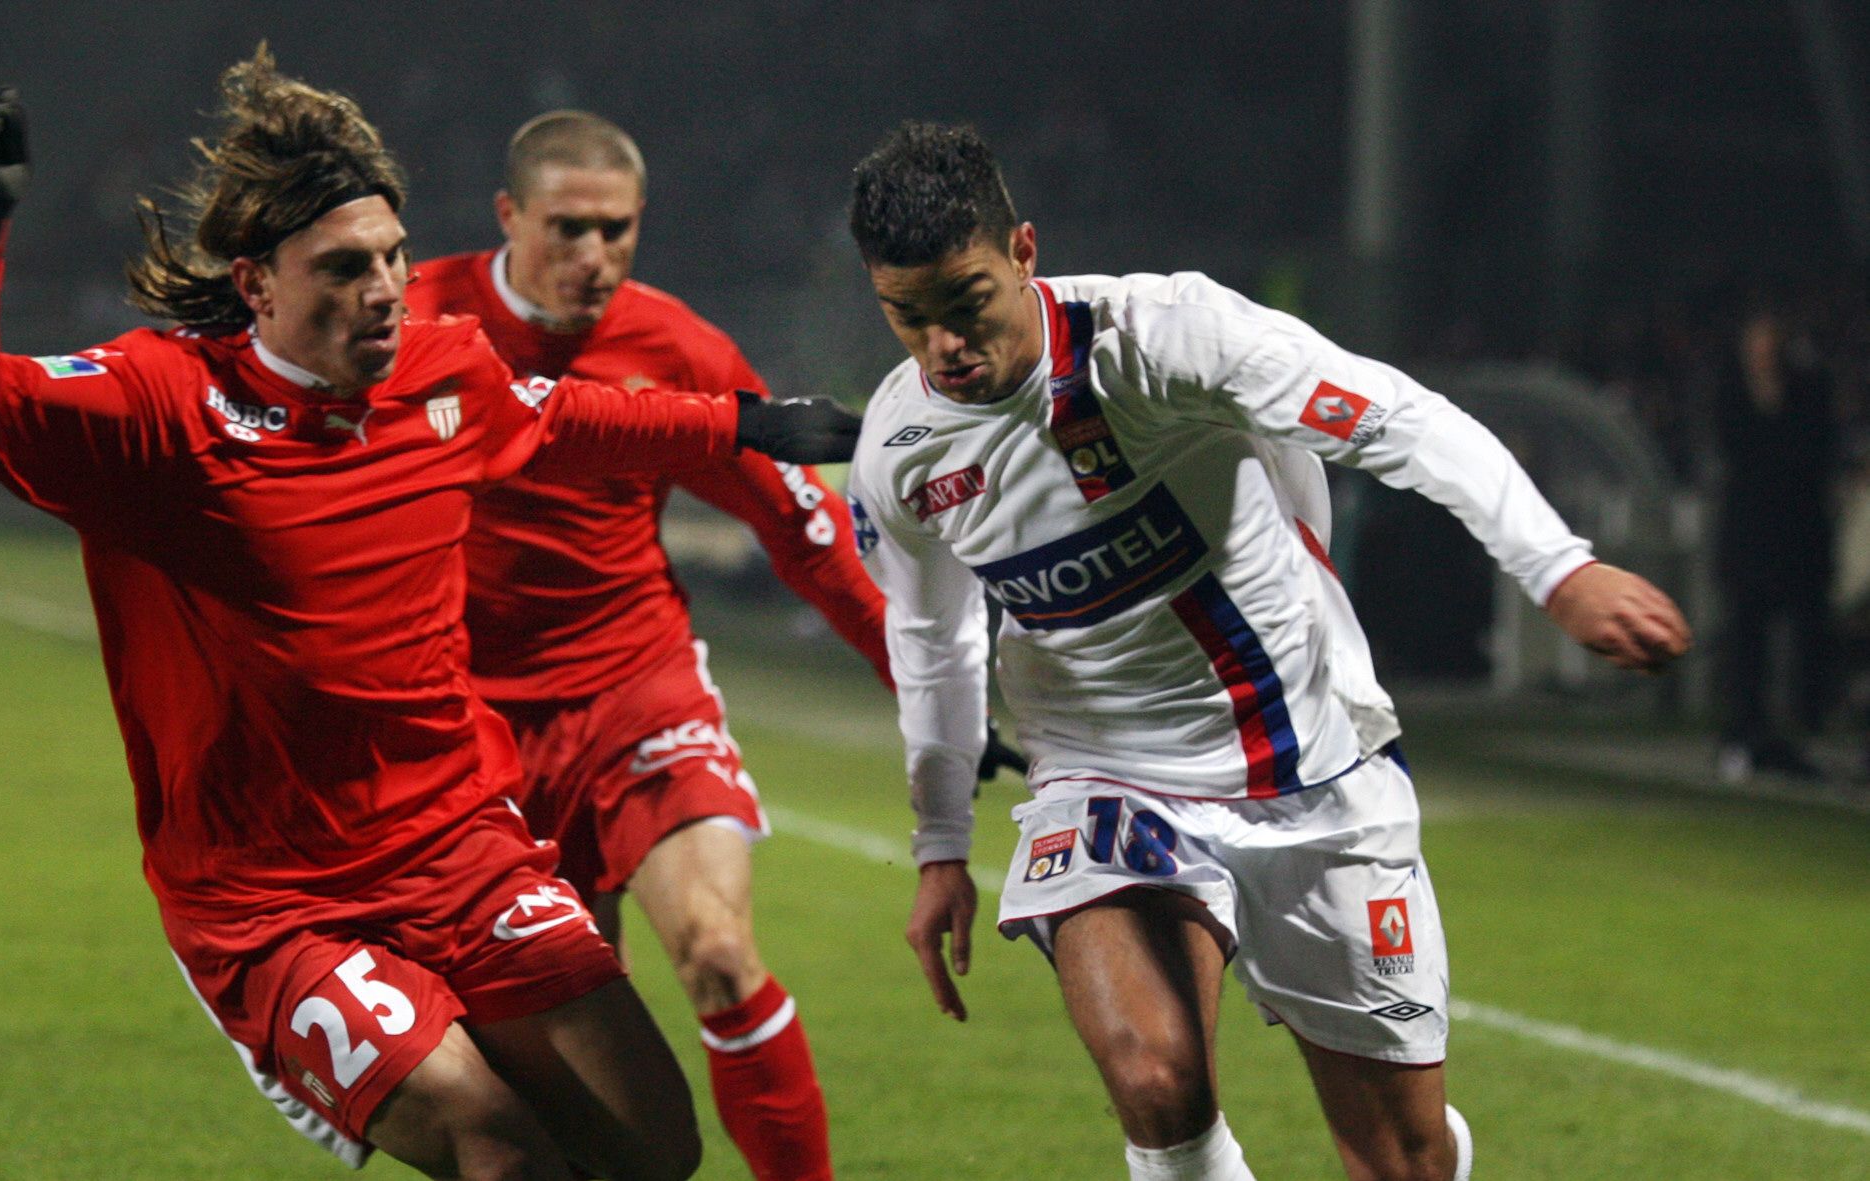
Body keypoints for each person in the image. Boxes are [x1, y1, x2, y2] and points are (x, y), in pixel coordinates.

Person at [0, 54, 854, 1181]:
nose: (384, 289)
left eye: (396, 259)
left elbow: (577, 416)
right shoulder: (162, 406)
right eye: (346, 266)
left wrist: (742, 424)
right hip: (276, 901)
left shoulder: (447, 375)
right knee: (494, 1141)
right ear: (256, 282)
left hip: (460, 848)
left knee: (652, 1141)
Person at [842, 122, 1690, 1181]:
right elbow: (931, 638)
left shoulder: (1168, 338)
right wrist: (938, 842)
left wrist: (1559, 567)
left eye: (963, 305)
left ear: (1023, 250)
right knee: (1156, 1080)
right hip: (1106, 778)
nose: (942, 350)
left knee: (1403, 1159)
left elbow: (1402, 420)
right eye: (906, 318)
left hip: (1312, 763)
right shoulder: (899, 449)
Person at [402, 110, 890, 1181]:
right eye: (567, 228)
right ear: (508, 216)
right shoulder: (416, 315)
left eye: (617, 230)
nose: (595, 257)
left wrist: (925, 685)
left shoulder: (674, 346)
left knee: (717, 948)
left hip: (637, 688)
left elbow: (799, 526)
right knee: (574, 1062)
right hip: (476, 726)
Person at [1712, 295, 1837, 781]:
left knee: (1808, 638)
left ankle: (1805, 729)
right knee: (1747, 641)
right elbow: (1735, 451)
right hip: (1749, 539)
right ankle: (1747, 730)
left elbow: (1811, 456)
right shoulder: (1731, 391)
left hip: (1798, 537)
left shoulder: (1809, 387)